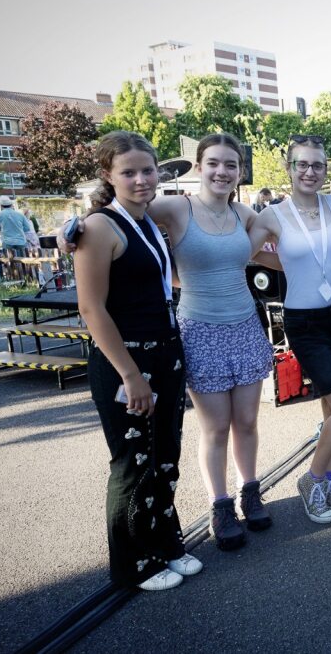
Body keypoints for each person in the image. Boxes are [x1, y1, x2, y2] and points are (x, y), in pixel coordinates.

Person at [59, 134, 276, 551]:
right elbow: (117, 214)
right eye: (213, 163)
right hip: (198, 328)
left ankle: (250, 488)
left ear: (240, 172)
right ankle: (221, 504)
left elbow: (277, 233)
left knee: (247, 422)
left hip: (245, 325)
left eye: (231, 165)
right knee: (215, 428)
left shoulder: (243, 212)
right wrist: (71, 229)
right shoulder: (174, 207)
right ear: (198, 167)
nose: (222, 172)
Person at [75, 131, 200, 591]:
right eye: (128, 172)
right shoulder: (98, 228)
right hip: (126, 362)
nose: (141, 179)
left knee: (165, 457)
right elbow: (92, 309)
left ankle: (166, 543)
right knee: (132, 465)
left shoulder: (146, 220)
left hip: (164, 351)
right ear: (108, 175)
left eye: (148, 170)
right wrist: (130, 374)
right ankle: (131, 566)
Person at [248, 134, 331, 524]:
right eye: (302, 164)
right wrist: (287, 263)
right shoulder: (272, 215)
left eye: (317, 165)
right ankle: (312, 478)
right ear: (289, 168)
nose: (310, 171)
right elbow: (245, 252)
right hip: (305, 322)